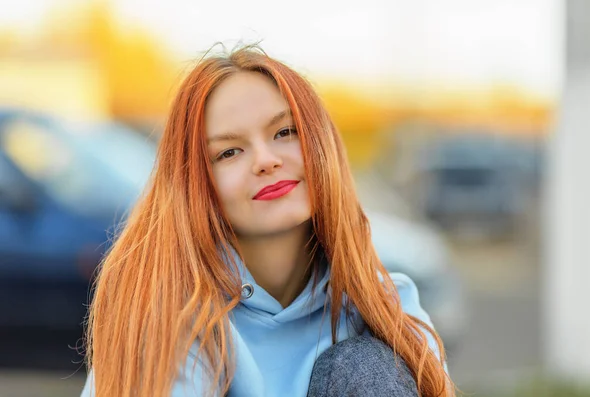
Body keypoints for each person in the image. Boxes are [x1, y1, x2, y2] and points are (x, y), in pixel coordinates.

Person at [81, 46, 455, 397]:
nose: (265, 159)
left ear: (320, 143)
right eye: (229, 152)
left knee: (365, 365)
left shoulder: (385, 305)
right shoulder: (166, 310)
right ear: (195, 183)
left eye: (284, 132)